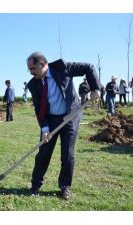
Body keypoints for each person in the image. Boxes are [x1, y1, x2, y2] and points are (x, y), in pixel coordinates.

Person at [26, 52, 100, 200]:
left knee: (67, 153)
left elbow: (89, 67)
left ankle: (65, 186)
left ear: (42, 64)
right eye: (29, 69)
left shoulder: (63, 68)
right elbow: (38, 109)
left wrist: (95, 88)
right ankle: (35, 184)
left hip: (70, 116)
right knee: (44, 152)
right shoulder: (33, 84)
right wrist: (45, 129)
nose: (31, 72)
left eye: (32, 68)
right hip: (51, 119)